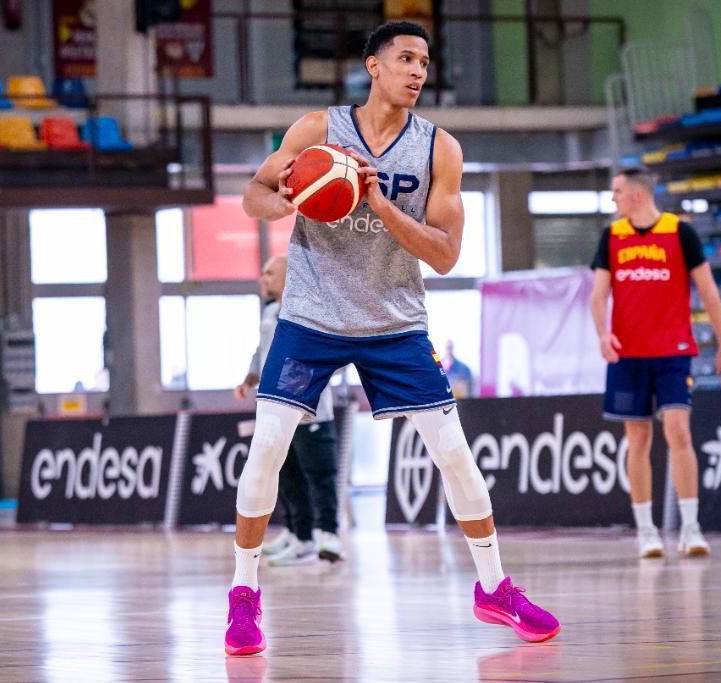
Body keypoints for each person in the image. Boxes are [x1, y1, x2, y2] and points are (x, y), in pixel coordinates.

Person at [224, 21, 559, 657]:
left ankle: (495, 587)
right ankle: (244, 596)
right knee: (267, 447)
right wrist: (290, 198)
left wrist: (380, 204)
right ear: (373, 66)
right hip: (311, 315)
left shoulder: (441, 151)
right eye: (404, 59)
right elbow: (253, 195)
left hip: (395, 321)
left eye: (424, 62)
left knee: (454, 453)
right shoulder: (317, 129)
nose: (417, 71)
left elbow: (446, 254)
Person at [589, 167, 721, 560]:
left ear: (637, 195)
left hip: (673, 350)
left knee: (679, 431)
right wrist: (603, 333)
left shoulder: (680, 232)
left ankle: (691, 527)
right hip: (627, 353)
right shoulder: (612, 237)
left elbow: (708, 291)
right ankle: (646, 531)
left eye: (617, 191)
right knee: (637, 440)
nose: (614, 199)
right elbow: (598, 295)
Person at [233, 255, 342, 566]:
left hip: (311, 410)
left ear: (287, 276)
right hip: (277, 412)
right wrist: (249, 379)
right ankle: (299, 535)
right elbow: (262, 353)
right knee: (285, 475)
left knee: (319, 476)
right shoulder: (270, 313)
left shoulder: (309, 311)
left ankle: (328, 536)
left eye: (269, 273)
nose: (263, 279)